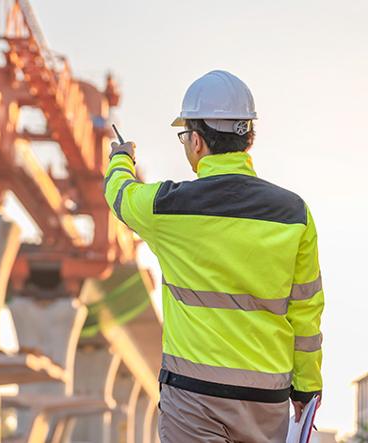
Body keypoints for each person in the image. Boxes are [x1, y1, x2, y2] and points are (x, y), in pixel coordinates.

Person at [104, 70, 324, 442]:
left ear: (196, 141)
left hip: (193, 396)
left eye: (184, 136)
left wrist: (121, 158)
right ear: (247, 138)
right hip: (266, 400)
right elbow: (306, 315)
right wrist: (306, 389)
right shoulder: (295, 214)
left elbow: (119, 193)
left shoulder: (167, 207)